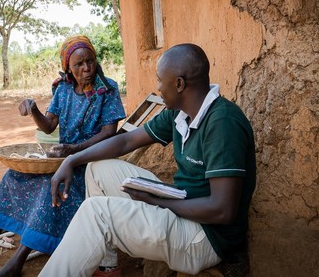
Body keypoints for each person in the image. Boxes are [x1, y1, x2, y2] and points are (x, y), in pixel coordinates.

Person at [40, 43, 256, 277]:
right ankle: (108, 266)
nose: (158, 87)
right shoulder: (180, 112)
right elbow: (125, 142)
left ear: (180, 84)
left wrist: (157, 201)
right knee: (97, 169)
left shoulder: (222, 124)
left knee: (96, 213)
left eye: (161, 80)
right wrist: (72, 159)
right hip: (182, 204)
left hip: (204, 237)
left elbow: (222, 211)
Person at [0, 35, 126, 276]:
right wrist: (34, 110)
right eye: (79, 64)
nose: (86, 68)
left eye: (90, 61)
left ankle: (16, 263)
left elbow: (109, 133)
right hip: (64, 160)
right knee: (13, 177)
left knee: (50, 190)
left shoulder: (107, 89)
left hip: (90, 163)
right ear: (68, 67)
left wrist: (73, 150)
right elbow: (48, 126)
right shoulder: (64, 89)